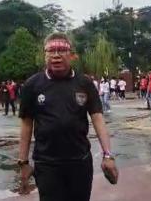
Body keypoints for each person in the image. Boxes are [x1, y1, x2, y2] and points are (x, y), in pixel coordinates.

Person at [18, 33, 118, 201]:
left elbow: (98, 119)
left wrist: (108, 155)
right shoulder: (32, 85)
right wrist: (23, 162)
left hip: (80, 162)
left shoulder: (84, 83)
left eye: (61, 50)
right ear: (45, 55)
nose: (56, 55)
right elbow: (26, 125)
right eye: (51, 50)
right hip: (46, 164)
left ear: (72, 55)